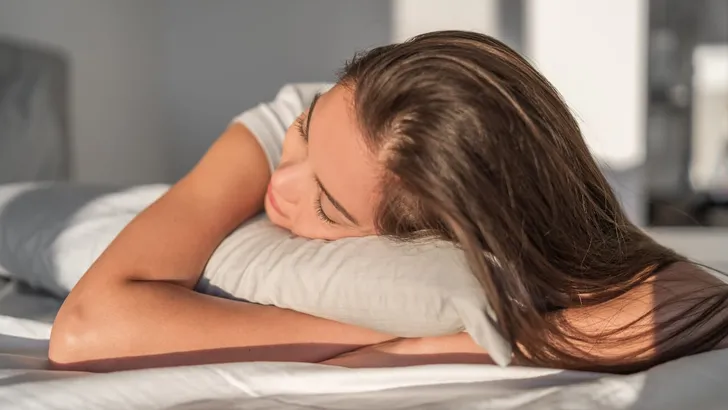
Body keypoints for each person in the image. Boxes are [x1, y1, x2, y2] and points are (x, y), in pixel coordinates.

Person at [49, 31, 728, 373]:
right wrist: (401, 341)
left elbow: (687, 294)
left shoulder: (497, 204)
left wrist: (518, 334)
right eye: (308, 131)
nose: (281, 186)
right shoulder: (271, 134)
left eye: (329, 207)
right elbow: (83, 331)